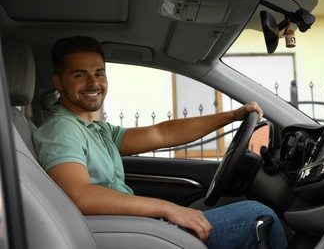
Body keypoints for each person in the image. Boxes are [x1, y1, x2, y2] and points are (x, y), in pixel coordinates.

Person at [33, 35, 287, 249]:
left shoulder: (95, 129)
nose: (93, 83)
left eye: (99, 73)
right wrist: (167, 209)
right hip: (114, 235)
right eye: (80, 74)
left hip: (127, 228)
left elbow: (162, 134)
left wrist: (232, 116)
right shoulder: (61, 130)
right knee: (259, 217)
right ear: (59, 82)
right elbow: (79, 195)